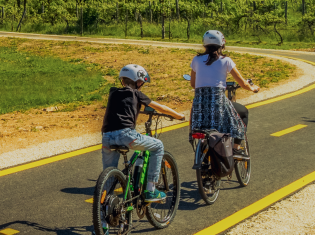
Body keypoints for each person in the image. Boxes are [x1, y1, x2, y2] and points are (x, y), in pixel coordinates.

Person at [101, 64, 186, 203]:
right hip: (126, 136)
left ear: (122, 80)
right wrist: (178, 116)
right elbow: (161, 108)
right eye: (141, 82)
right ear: (138, 81)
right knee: (158, 146)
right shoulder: (137, 94)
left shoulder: (113, 92)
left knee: (109, 178)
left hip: (107, 137)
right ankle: (151, 190)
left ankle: (103, 217)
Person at [188, 30, 258, 142]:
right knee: (242, 114)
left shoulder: (196, 60)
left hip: (199, 108)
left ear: (204, 44)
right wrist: (253, 88)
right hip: (218, 105)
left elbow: (193, 84)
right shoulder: (226, 61)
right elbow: (243, 84)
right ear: (222, 44)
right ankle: (236, 148)